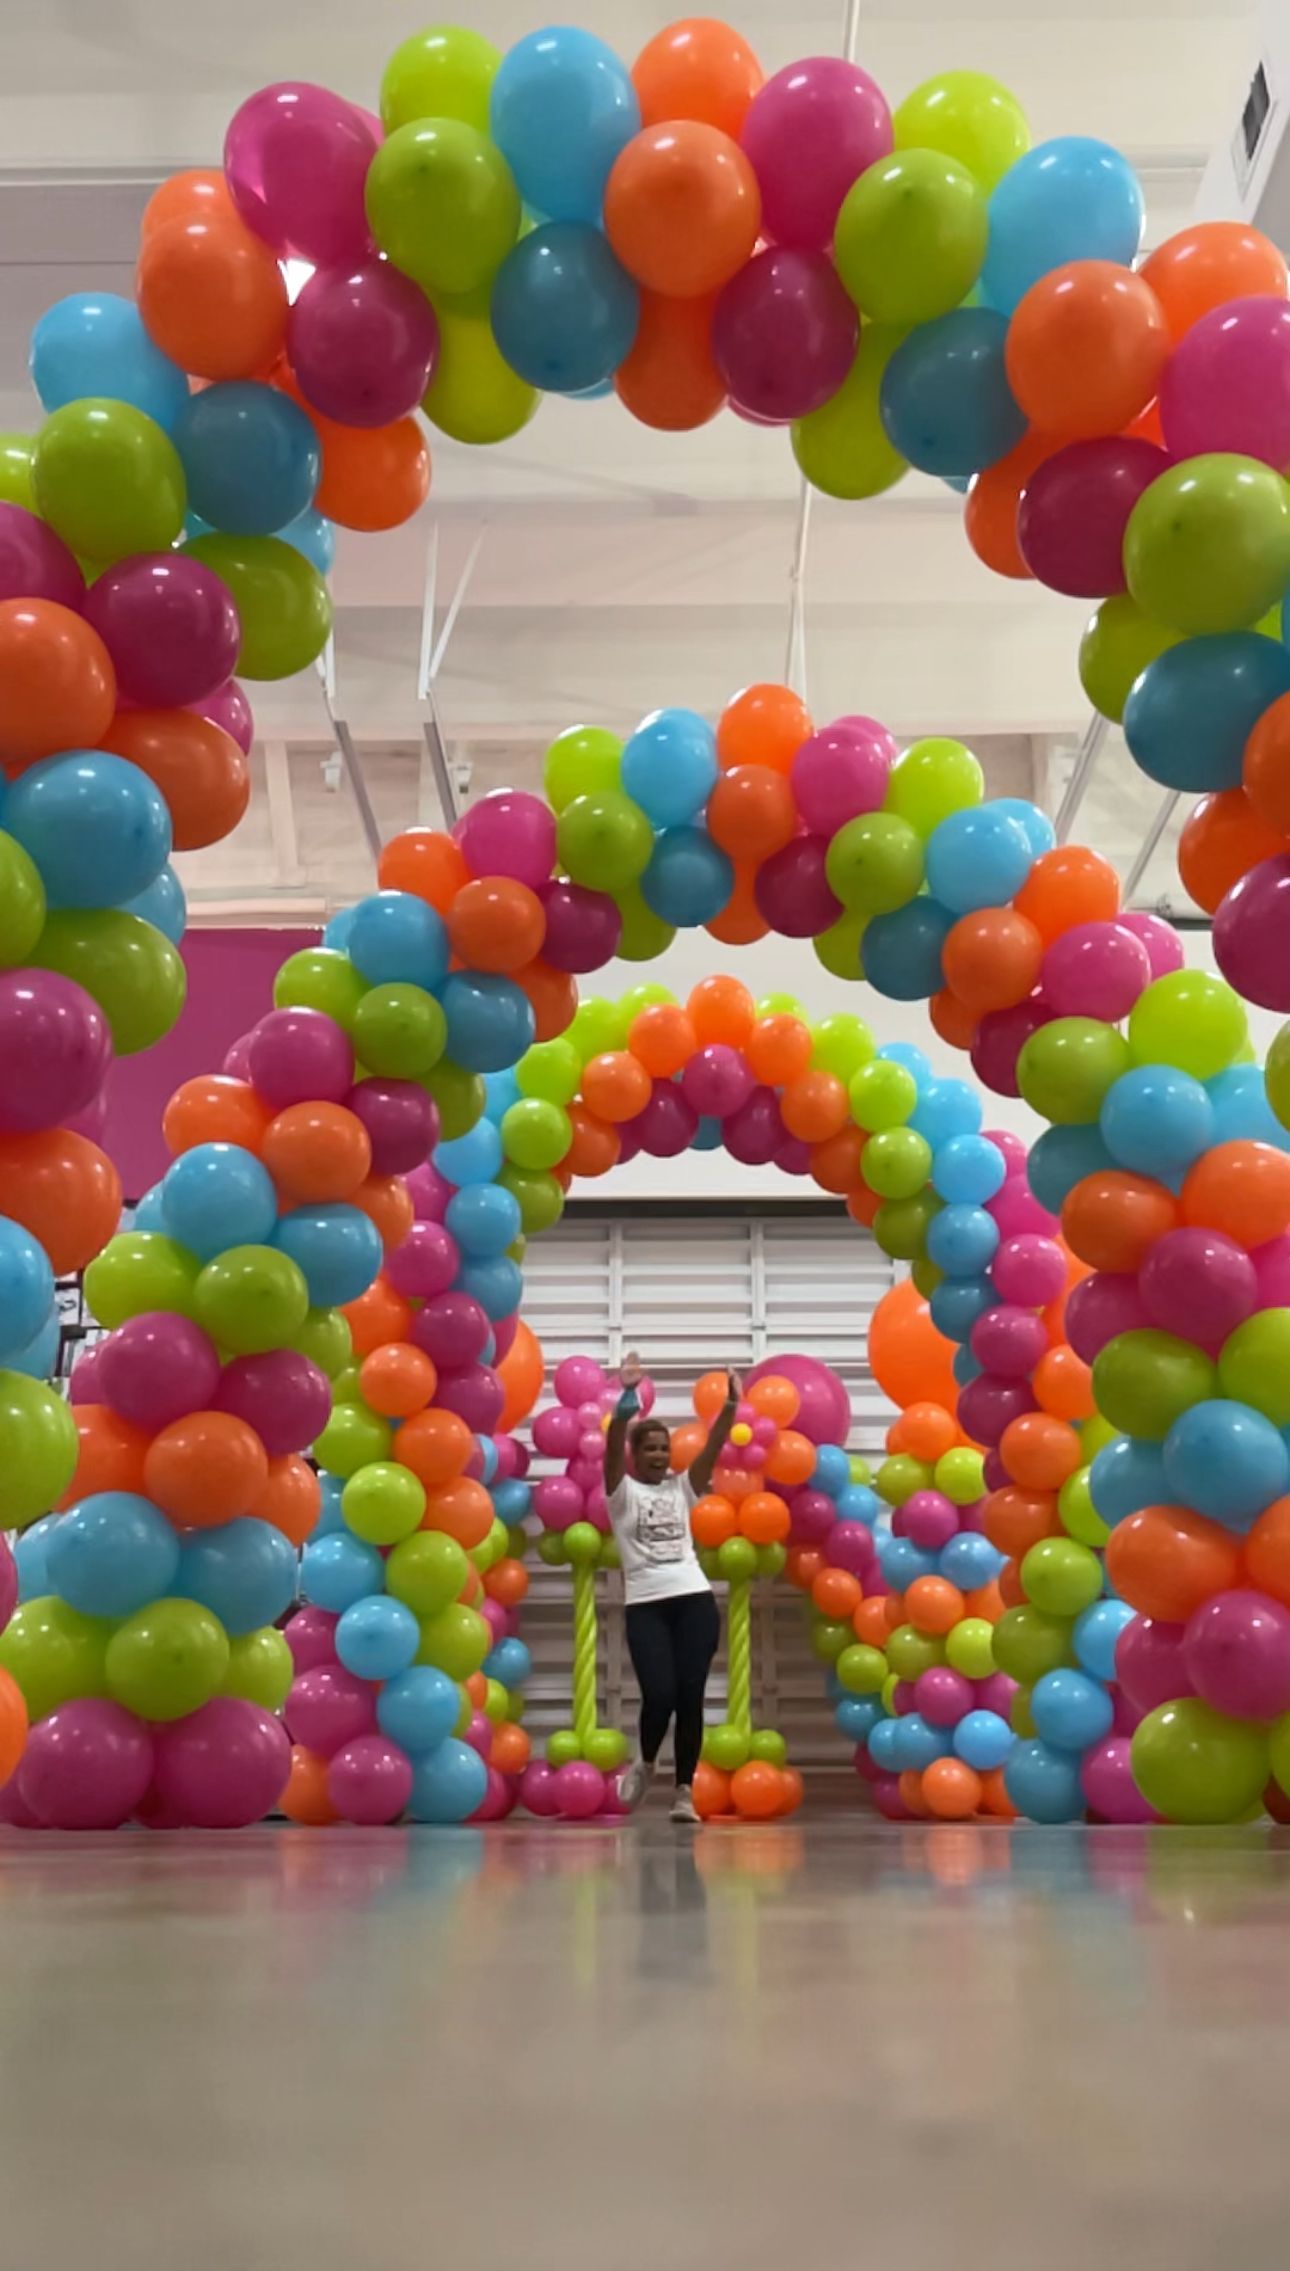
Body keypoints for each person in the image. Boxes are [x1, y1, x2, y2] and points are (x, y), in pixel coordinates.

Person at [604, 1351, 739, 1824]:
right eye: (651, 1449)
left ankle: (684, 1792)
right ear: (636, 1456)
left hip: (694, 1602)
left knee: (690, 1696)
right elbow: (613, 1442)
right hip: (646, 1605)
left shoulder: (682, 1488)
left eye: (664, 1448)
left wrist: (730, 1407)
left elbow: (714, 1448)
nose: (660, 1455)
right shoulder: (622, 1494)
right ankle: (646, 1763)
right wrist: (627, 1396)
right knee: (659, 1694)